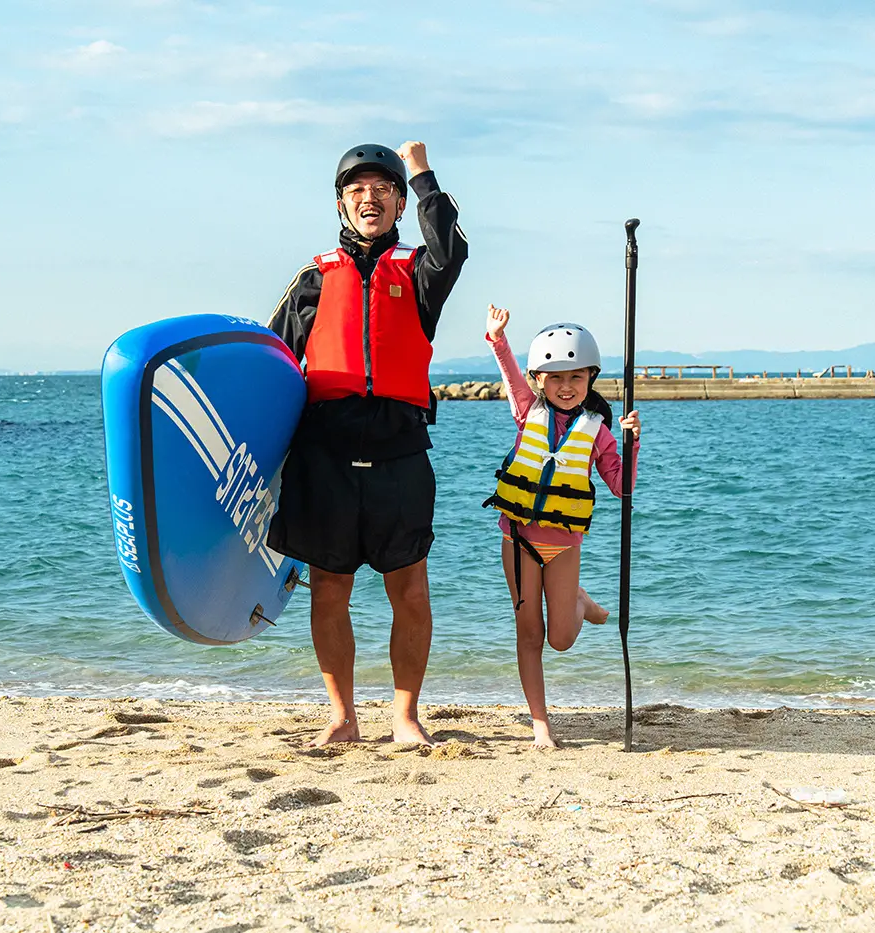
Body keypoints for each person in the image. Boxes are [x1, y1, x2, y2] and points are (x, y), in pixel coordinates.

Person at [267, 142, 467, 746]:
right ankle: (342, 716)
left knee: (408, 587)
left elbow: (452, 246)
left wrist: (422, 168)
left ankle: (406, 717)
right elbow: (270, 362)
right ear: (340, 203)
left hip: (399, 453)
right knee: (329, 588)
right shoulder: (312, 277)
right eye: (356, 189)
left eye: (382, 188)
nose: (369, 197)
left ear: (401, 202)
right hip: (322, 457)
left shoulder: (420, 272)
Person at [482, 304, 641, 748]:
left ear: (590, 378)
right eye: (555, 377)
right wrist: (497, 338)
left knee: (562, 641)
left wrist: (632, 442)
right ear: (540, 381)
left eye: (575, 377)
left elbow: (621, 487)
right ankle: (541, 724)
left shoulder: (600, 432)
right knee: (529, 634)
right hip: (516, 539)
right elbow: (511, 373)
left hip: (563, 544)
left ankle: (578, 602)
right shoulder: (526, 411)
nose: (565, 387)